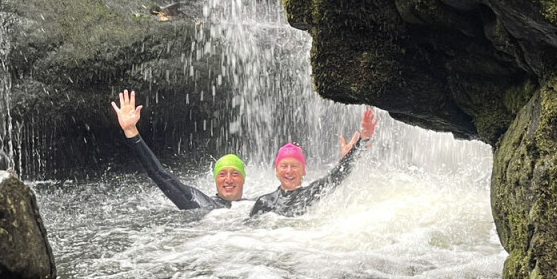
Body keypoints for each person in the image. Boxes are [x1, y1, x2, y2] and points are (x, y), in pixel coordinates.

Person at [112, 89, 246, 210]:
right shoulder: (199, 202)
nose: (228, 180)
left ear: (243, 179)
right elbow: (159, 174)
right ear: (216, 179)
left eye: (235, 174)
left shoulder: (257, 205)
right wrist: (131, 131)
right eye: (222, 174)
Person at [250, 109, 378, 217]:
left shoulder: (310, 194)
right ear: (276, 171)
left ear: (303, 171)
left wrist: (361, 142)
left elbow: (336, 177)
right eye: (284, 166)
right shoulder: (264, 202)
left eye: (295, 166)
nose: (289, 171)